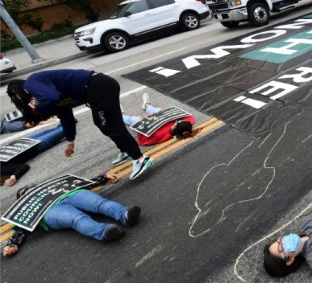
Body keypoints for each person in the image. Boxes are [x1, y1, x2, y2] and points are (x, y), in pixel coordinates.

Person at [19, 70, 153, 180]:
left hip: (99, 86)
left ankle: (140, 158)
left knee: (110, 125)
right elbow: (67, 119)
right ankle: (126, 150)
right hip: (98, 89)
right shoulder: (52, 96)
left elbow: (51, 98)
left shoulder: (32, 85)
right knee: (102, 123)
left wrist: (36, 109)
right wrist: (70, 143)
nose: (49, 115)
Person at [2, 172, 141, 257]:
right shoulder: (26, 206)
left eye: (30, 187)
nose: (28, 189)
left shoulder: (53, 185)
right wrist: (13, 244)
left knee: (99, 204)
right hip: (49, 210)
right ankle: (105, 232)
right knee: (77, 219)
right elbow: (23, 225)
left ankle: (126, 215)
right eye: (24, 191)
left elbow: (78, 184)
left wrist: (103, 177)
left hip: (70, 194)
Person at [112, 93, 195, 166]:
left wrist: (144, 121)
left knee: (128, 120)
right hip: (160, 118)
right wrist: (164, 111)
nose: (176, 122)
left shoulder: (159, 135)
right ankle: (146, 105)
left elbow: (143, 138)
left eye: (176, 123)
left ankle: (121, 113)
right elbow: (189, 118)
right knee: (154, 110)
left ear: (175, 128)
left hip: (149, 122)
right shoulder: (184, 125)